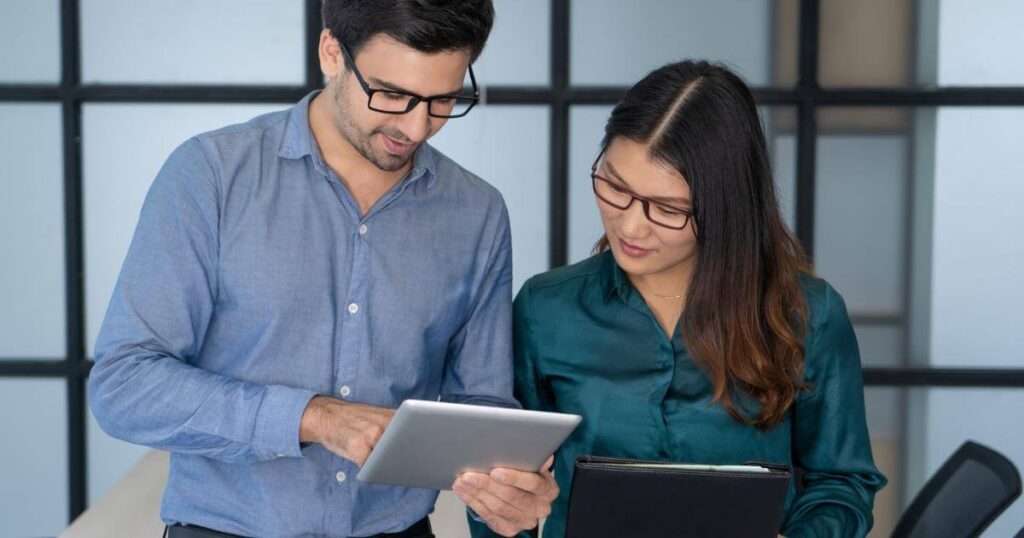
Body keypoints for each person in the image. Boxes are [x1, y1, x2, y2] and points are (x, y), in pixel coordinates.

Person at [88, 1, 556, 537]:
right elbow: (124, 387)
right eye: (393, 95)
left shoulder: (478, 212)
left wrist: (503, 488)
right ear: (332, 52)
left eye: (444, 99)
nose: (418, 125)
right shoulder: (211, 176)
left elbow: (482, 407)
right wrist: (314, 417)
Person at [468, 60, 887, 538]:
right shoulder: (546, 310)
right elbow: (503, 489)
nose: (629, 226)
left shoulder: (807, 315)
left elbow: (843, 481)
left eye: (668, 209)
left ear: (725, 207)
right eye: (615, 187)